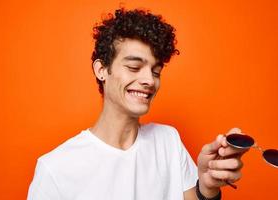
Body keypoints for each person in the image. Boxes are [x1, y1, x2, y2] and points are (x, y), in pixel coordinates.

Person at [27, 8, 247, 200]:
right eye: (134, 67)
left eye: (156, 71)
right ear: (102, 70)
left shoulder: (168, 141)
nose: (149, 81)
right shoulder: (55, 168)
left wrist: (207, 189)